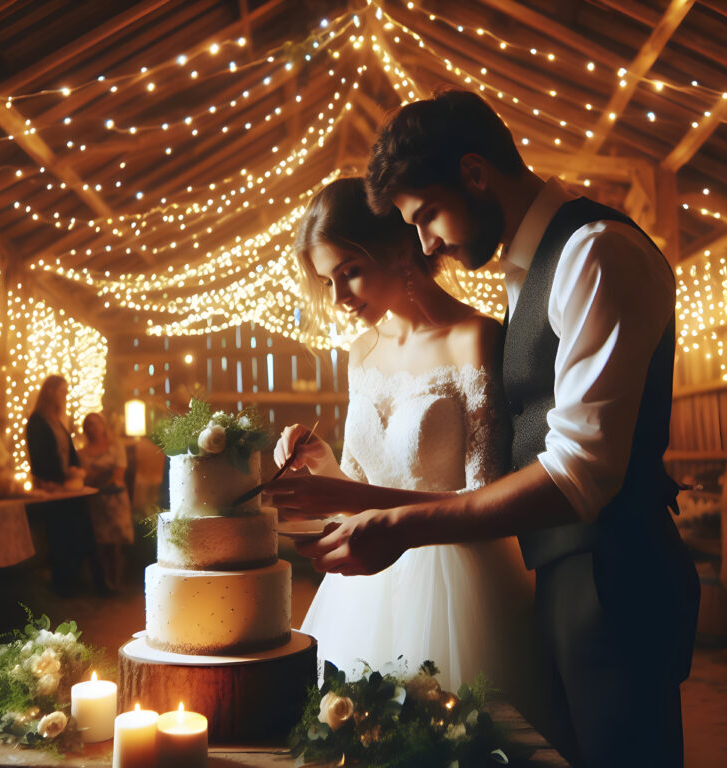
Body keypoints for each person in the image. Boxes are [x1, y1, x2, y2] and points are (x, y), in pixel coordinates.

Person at [270, 91, 700, 768]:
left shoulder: (594, 254)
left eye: (426, 217)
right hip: (562, 575)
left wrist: (399, 524)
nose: (426, 244)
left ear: (475, 173)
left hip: (617, 578)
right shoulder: (525, 271)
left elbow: (579, 472)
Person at [270, 176, 537, 704]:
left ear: (397, 249)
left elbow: (485, 503)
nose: (340, 297)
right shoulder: (361, 352)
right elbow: (360, 487)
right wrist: (324, 465)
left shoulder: (475, 338)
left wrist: (355, 499)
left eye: (350, 272)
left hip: (460, 583)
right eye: (328, 282)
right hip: (364, 588)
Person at [25, 375, 102, 596]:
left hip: (68, 486)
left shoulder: (57, 421)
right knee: (59, 533)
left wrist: (76, 469)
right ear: (50, 392)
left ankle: (77, 580)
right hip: (52, 487)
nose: (65, 396)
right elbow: (40, 457)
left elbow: (68, 451)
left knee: (77, 529)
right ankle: (64, 583)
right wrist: (61, 475)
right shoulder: (38, 421)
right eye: (62, 391)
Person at [79, 413, 134, 592]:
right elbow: (84, 477)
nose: (93, 428)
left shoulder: (115, 447)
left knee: (115, 542)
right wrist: (98, 474)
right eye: (89, 425)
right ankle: (104, 583)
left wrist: (97, 474)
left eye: (96, 424)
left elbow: (118, 472)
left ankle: (116, 580)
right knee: (101, 542)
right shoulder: (83, 453)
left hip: (115, 499)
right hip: (95, 501)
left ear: (103, 426)